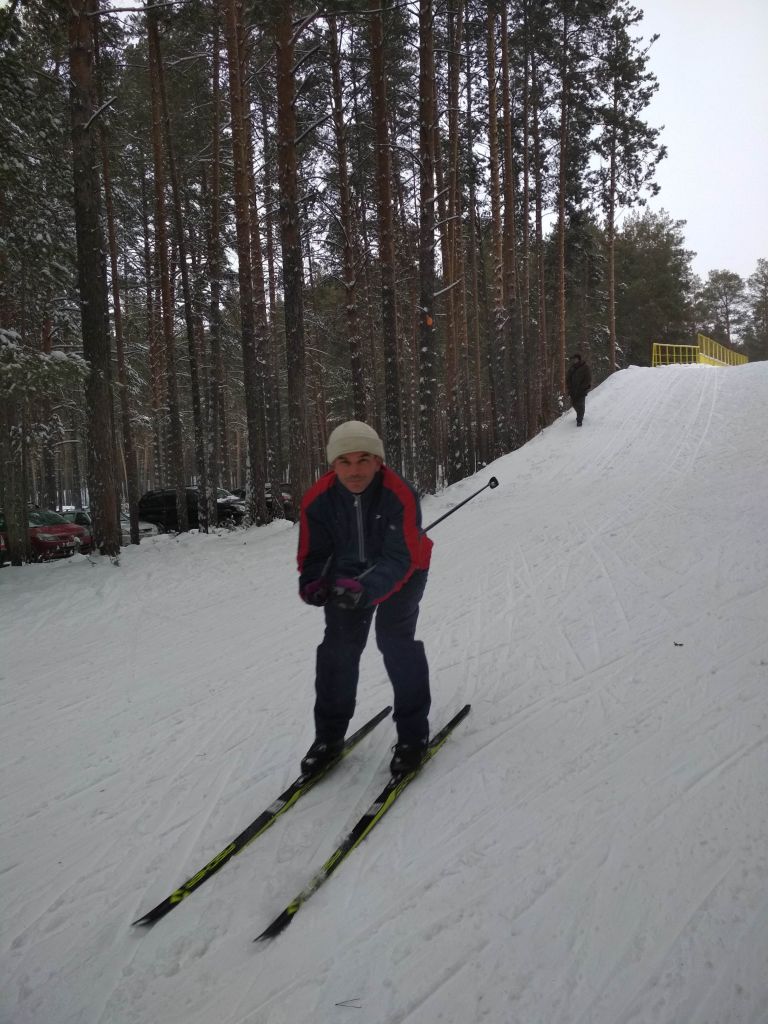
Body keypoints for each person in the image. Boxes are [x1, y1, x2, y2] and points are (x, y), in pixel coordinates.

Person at [297, 420, 433, 777]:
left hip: (406, 571)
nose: (354, 471)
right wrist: (314, 582)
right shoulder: (318, 500)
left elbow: (400, 557)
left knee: (394, 640)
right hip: (348, 575)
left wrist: (365, 588)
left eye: (363, 460)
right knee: (337, 650)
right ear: (333, 464)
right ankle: (328, 739)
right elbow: (315, 553)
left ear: (378, 461)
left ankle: (413, 736)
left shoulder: (399, 493)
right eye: (344, 461)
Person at [566, 352, 592, 426]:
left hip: (582, 390)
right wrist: (569, 386)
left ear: (579, 359)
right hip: (573, 390)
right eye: (573, 359)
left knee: (580, 404)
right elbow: (568, 378)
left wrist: (582, 387)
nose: (574, 360)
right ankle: (580, 413)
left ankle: (579, 420)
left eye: (576, 359)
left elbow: (588, 379)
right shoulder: (572, 368)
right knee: (574, 404)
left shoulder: (585, 367)